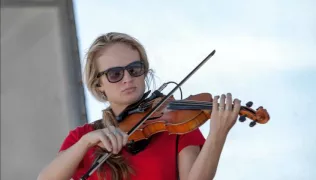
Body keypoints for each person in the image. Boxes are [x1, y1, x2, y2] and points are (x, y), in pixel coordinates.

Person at [37, 32, 241, 180]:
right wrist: (85, 143)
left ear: (145, 73)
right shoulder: (83, 136)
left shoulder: (177, 124)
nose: (127, 79)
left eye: (134, 69)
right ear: (99, 84)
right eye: (115, 74)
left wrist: (217, 135)